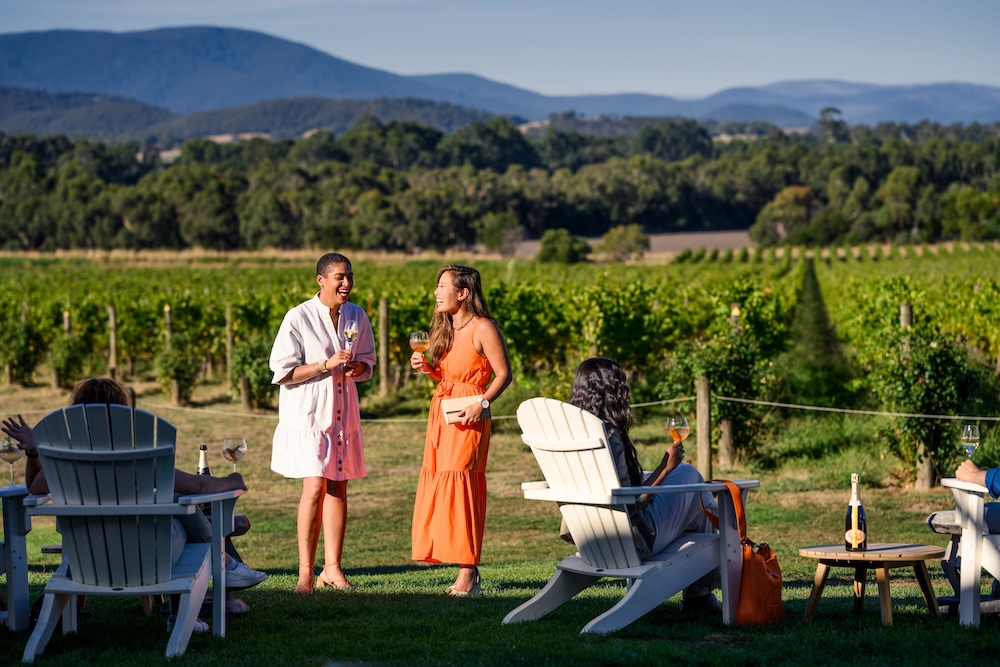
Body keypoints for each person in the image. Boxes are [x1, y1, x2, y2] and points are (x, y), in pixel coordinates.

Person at [1, 377, 267, 629]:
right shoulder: (138, 456)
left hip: (87, 561)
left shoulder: (67, 459)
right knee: (173, 508)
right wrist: (232, 480)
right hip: (146, 560)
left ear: (76, 413)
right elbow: (199, 485)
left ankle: (227, 566)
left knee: (167, 502)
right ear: (122, 412)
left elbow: (35, 486)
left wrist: (35, 452)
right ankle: (214, 579)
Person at [565, 357, 721, 614]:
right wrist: (665, 469)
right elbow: (633, 500)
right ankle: (699, 595)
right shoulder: (609, 436)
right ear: (612, 391)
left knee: (684, 477)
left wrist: (665, 469)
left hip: (591, 538)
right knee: (693, 479)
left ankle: (699, 596)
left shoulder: (571, 437)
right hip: (632, 541)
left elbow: (620, 493)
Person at [269, 252, 376, 594]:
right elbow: (283, 372)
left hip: (343, 416)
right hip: (309, 417)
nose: (347, 283)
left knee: (338, 486)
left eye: (350, 277)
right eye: (340, 277)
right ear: (321, 280)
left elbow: (367, 361)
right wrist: (324, 365)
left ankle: (332, 569)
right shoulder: (298, 317)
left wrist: (358, 368)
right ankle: (304, 573)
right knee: (314, 487)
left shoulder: (357, 315)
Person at [410, 265, 512, 596]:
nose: (436, 293)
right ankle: (461, 567)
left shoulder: (484, 328)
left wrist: (481, 404)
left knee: (463, 484)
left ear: (463, 293)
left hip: (470, 416)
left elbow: (503, 374)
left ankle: (468, 572)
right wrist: (428, 369)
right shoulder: (447, 329)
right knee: (442, 480)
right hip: (442, 414)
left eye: (443, 286)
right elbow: (450, 377)